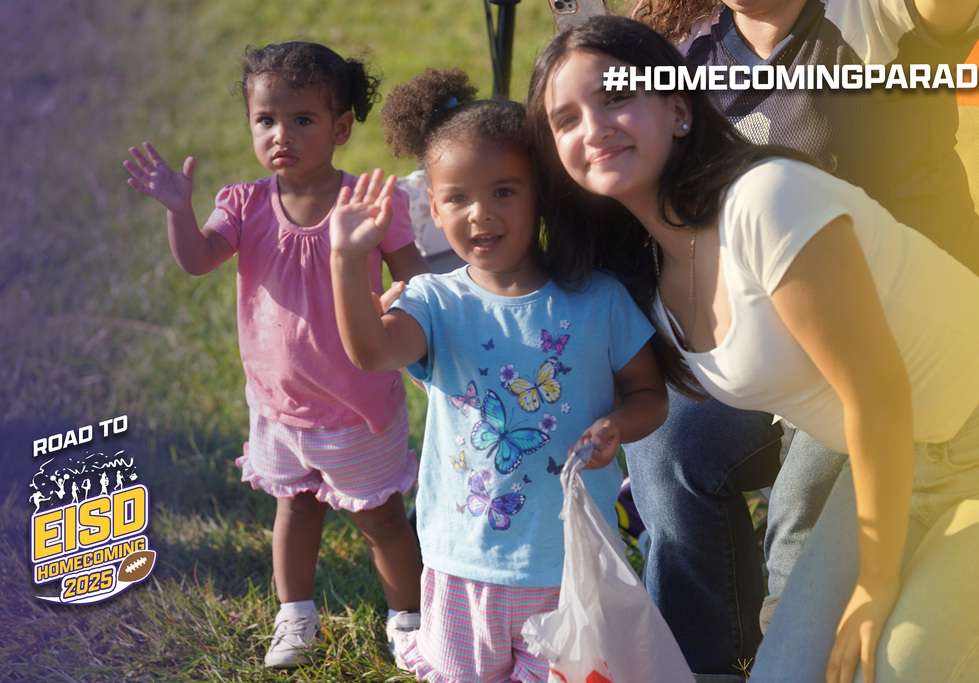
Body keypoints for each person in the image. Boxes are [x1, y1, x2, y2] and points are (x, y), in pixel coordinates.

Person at [527, 15, 979, 683]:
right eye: (565, 120)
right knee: (786, 674)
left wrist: (873, 587)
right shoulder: (643, 272)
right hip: (905, 460)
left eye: (617, 97)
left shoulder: (766, 201)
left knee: (899, 669)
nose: (595, 127)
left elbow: (877, 393)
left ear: (679, 109)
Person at [329, 66, 669, 682]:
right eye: (457, 198)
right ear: (432, 207)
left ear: (541, 191)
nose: (479, 214)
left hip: (569, 569)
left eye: (504, 191)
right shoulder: (434, 300)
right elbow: (371, 351)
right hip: (464, 568)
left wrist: (619, 425)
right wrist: (348, 263)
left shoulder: (599, 299)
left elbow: (650, 395)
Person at [122, 41, 428, 669]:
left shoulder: (370, 202)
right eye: (265, 120)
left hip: (357, 407)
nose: (280, 134)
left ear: (341, 127)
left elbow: (416, 276)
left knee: (383, 521)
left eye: (302, 120)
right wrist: (179, 211)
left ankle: (409, 618)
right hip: (278, 407)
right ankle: (296, 617)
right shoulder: (244, 203)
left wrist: (399, 303)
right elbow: (198, 259)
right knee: (294, 509)